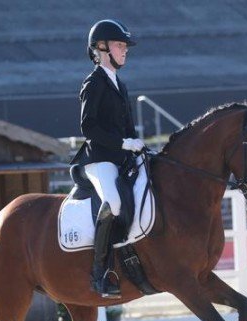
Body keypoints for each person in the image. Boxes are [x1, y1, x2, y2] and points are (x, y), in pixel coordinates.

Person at [71, 19, 145, 298]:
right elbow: (88, 127)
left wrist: (137, 146)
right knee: (113, 202)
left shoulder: (120, 85)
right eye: (119, 45)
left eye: (125, 46)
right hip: (98, 159)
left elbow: (127, 126)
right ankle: (99, 273)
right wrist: (123, 143)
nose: (124, 50)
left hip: (121, 156)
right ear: (101, 49)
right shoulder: (94, 83)